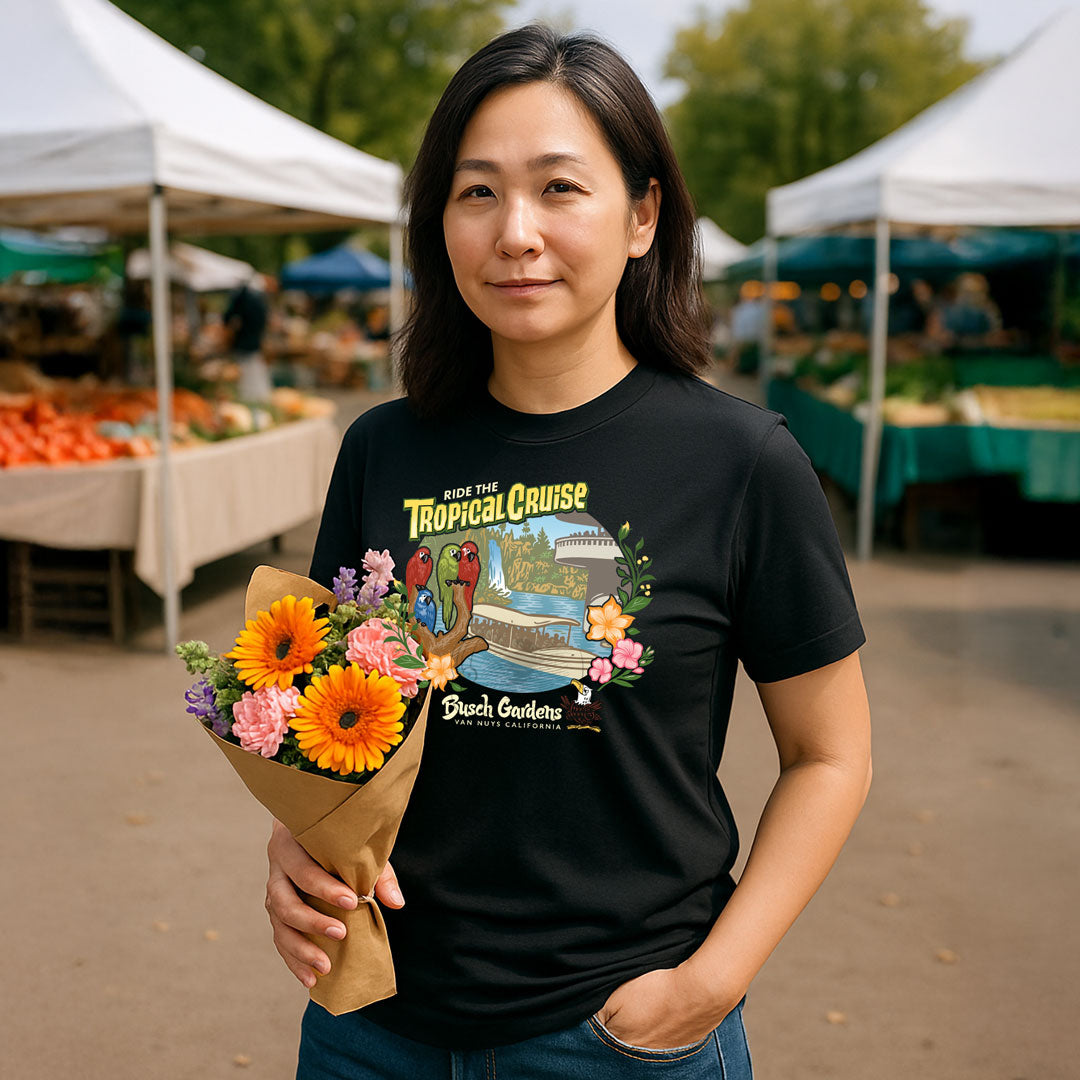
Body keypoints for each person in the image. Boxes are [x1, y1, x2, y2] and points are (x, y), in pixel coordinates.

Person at [265, 24, 872, 1079]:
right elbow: (326, 732)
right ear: (439, 224)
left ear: (643, 215)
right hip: (373, 1026)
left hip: (619, 1040)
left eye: (559, 189)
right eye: (477, 192)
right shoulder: (381, 449)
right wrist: (294, 847)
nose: (516, 233)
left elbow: (831, 756)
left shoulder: (741, 461)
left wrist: (710, 984)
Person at [223, 271, 273, 401]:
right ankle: (256, 398)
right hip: (250, 342)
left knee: (248, 374)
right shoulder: (255, 298)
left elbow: (228, 317)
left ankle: (252, 398)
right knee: (252, 372)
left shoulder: (245, 296)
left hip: (246, 342)